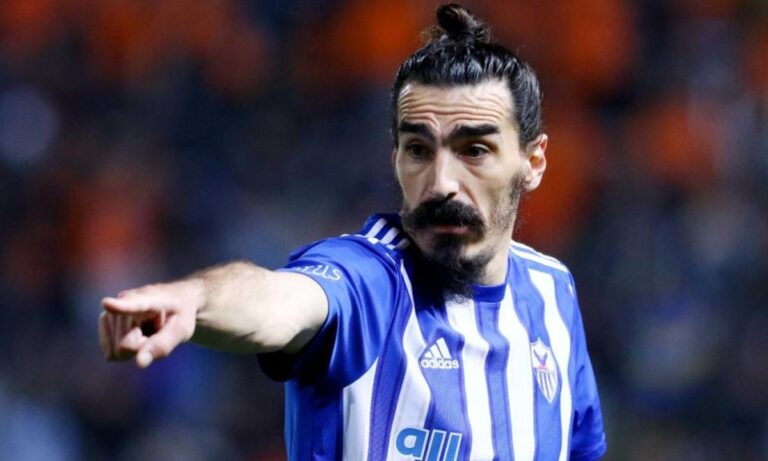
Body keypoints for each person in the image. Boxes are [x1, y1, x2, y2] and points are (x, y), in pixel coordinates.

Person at [99, 4, 607, 460]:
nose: (441, 183)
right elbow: (279, 300)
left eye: (474, 150)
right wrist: (194, 300)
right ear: (395, 157)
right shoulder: (369, 281)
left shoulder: (553, 293)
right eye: (419, 150)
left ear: (533, 162)